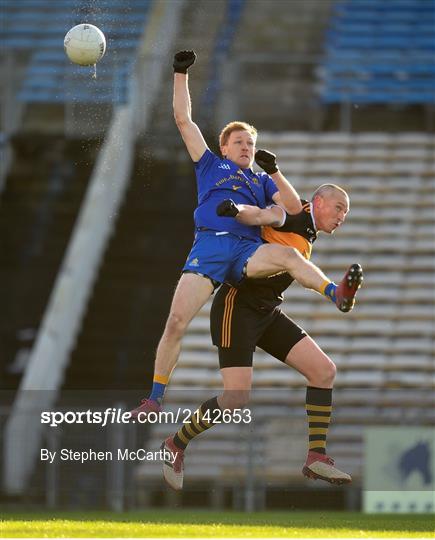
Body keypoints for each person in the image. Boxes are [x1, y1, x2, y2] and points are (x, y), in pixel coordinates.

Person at [130, 50, 363, 418]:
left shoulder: (259, 179)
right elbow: (182, 119)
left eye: (250, 144)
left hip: (245, 252)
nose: (246, 148)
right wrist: (180, 72)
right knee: (175, 322)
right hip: (209, 247)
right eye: (239, 142)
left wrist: (273, 173)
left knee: (290, 256)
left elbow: (287, 207)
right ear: (224, 148)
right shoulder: (209, 165)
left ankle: (336, 293)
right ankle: (154, 398)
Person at [160, 184, 362, 490]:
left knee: (324, 371)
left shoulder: (307, 228)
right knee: (236, 398)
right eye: (338, 208)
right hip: (236, 306)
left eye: (345, 212)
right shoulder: (295, 213)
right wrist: (237, 209)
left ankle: (316, 456)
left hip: (267, 311)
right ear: (318, 202)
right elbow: (263, 215)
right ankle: (176, 443)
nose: (342, 217)